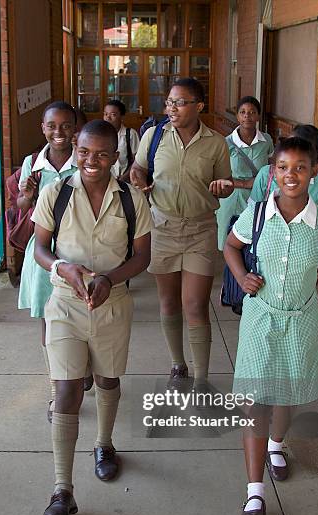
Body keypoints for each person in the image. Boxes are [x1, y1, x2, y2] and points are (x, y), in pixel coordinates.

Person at [32, 119, 152, 515]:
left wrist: (109, 278)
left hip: (112, 303)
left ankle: (104, 443)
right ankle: (61, 489)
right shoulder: (56, 193)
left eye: (102, 153)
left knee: (107, 379)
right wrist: (63, 268)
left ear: (115, 157)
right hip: (65, 304)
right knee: (67, 388)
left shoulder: (132, 199)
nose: (91, 160)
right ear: (76, 151)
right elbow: (40, 249)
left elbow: (142, 257)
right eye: (84, 152)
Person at [224, 137, 318, 515]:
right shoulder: (257, 214)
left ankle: (277, 443)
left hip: (301, 319)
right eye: (283, 167)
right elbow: (230, 246)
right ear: (273, 172)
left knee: (287, 394)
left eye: (300, 167)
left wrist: (315, 283)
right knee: (257, 402)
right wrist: (242, 278)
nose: (291, 175)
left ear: (313, 172)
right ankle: (254, 492)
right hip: (261, 318)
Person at [130, 77, 233, 389]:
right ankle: (178, 364)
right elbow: (137, 168)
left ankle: (201, 377)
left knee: (195, 304)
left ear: (198, 106)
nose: (171, 108)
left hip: (201, 229)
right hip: (162, 227)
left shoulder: (216, 143)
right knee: (168, 301)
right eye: (170, 102)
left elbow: (224, 185)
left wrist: (222, 187)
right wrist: (138, 178)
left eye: (180, 102)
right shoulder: (154, 135)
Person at [17, 101, 79, 413]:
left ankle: (81, 371)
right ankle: (57, 386)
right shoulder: (33, 163)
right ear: (43, 128)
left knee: (81, 316)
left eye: (66, 126)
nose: (58, 132)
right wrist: (26, 195)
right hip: (42, 253)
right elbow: (22, 204)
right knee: (47, 322)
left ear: (75, 129)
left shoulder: (83, 160)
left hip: (77, 248)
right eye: (52, 126)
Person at [249, 124, 318, 303]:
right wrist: (244, 274)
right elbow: (250, 217)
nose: (290, 173)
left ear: (314, 165)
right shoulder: (266, 175)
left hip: (300, 265)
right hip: (263, 263)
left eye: (301, 164)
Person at [216, 96, 273, 249]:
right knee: (229, 243)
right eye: (242, 112)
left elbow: (271, 168)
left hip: (257, 198)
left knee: (254, 241)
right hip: (232, 197)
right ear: (237, 116)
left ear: (258, 116)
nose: (247, 116)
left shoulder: (266, 141)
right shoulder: (226, 143)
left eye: (252, 112)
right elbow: (218, 175)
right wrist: (246, 183)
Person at [103, 99, 139, 182]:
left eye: (113, 114)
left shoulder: (130, 134)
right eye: (105, 114)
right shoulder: (99, 135)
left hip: (126, 180)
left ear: (122, 117)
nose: (108, 118)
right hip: (105, 181)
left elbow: (137, 161)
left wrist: (124, 178)